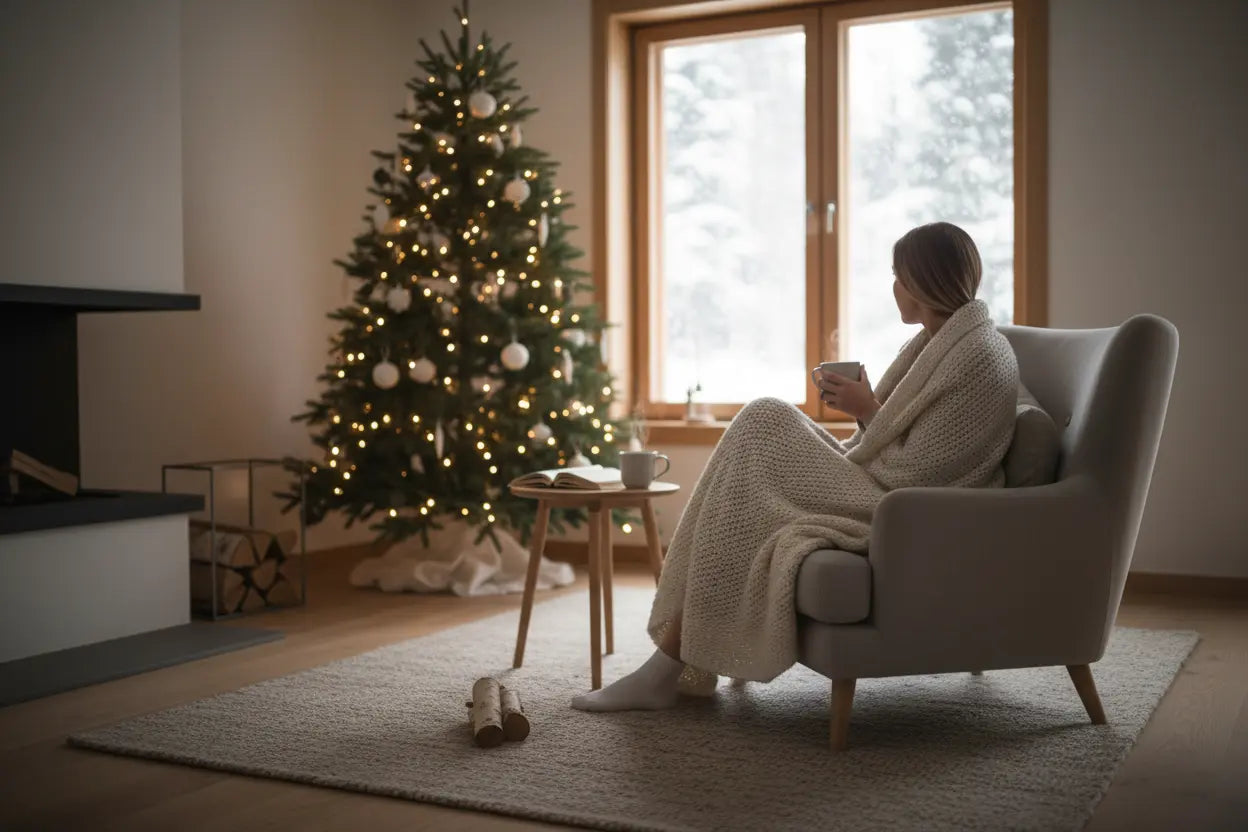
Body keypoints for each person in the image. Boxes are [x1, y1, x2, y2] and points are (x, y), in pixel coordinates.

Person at [571, 221, 1020, 712]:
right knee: (756, 440)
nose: (895, 287)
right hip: (888, 489)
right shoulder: (941, 342)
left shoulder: (977, 354)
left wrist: (867, 409)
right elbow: (905, 444)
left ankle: (663, 670)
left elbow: (922, 475)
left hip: (907, 511)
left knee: (763, 421)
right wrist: (869, 410)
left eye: (901, 276)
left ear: (927, 280)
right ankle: (669, 664)